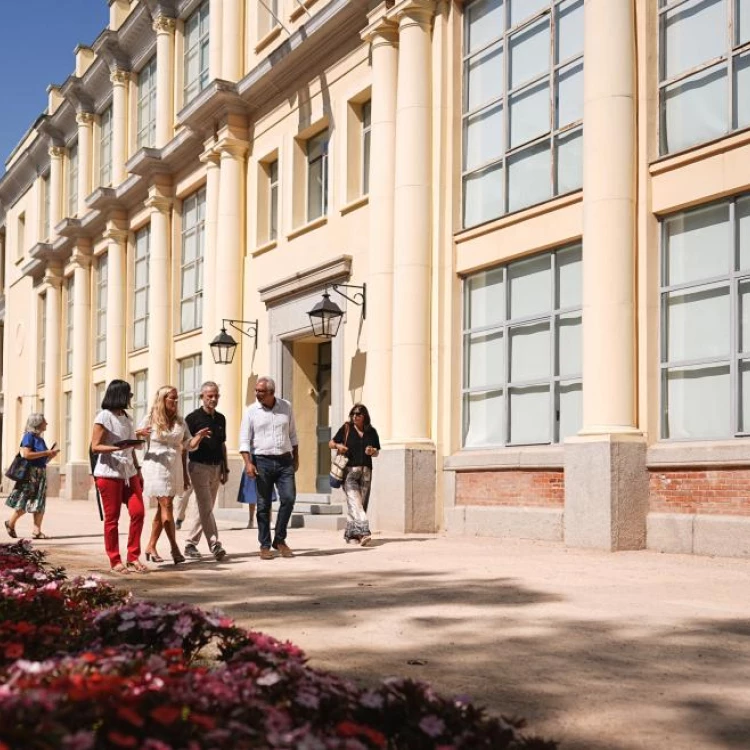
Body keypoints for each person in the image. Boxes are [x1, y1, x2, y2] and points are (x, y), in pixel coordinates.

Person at [139, 386, 211, 565]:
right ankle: (174, 548)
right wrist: (138, 434)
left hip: (174, 466)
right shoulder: (150, 419)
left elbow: (188, 444)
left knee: (162, 509)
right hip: (156, 466)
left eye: (177, 398)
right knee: (167, 505)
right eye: (172, 398)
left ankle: (151, 546)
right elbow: (136, 442)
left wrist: (199, 437)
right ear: (163, 399)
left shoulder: (180, 421)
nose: (176, 402)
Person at [91, 379, 147, 574]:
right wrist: (117, 447)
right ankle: (115, 559)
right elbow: (95, 446)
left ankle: (133, 556)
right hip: (109, 473)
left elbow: (130, 447)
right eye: (129, 393)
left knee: (138, 512)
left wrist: (138, 470)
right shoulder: (104, 417)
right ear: (120, 395)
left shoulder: (127, 417)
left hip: (129, 472)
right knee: (112, 518)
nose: (131, 397)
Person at [239, 376, 299, 560]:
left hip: (284, 461)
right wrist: (248, 463)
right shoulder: (251, 411)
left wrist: (296, 458)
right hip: (262, 461)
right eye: (256, 391)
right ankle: (265, 544)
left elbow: (293, 434)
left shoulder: (286, 407)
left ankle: (279, 540)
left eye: (261, 391)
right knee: (263, 505)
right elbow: (244, 440)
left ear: (271, 393)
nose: (257, 394)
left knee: (288, 499)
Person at [183, 382, 229, 561]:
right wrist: (199, 437)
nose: (213, 399)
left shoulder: (221, 419)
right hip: (198, 467)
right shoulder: (192, 418)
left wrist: (225, 468)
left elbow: (222, 444)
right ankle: (215, 544)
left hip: (216, 467)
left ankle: (190, 544)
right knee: (205, 506)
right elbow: (185, 445)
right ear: (202, 397)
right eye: (209, 396)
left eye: (216, 395)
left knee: (205, 507)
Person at [329, 403, 380, 546]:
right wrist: (338, 446)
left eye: (358, 414)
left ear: (365, 416)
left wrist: (372, 451)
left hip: (366, 473)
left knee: (360, 504)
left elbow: (376, 452)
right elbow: (331, 443)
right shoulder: (347, 428)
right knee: (356, 502)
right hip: (349, 472)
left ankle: (351, 534)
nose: (355, 416)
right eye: (353, 414)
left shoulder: (371, 432)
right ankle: (364, 532)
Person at [4, 413, 59, 540]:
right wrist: (46, 452)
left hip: (41, 472)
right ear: (38, 423)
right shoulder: (28, 437)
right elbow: (27, 455)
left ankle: (36, 531)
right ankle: (10, 523)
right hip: (30, 474)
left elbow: (43, 460)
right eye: (44, 421)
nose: (47, 423)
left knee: (39, 503)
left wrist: (50, 455)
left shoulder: (40, 439)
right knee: (24, 501)